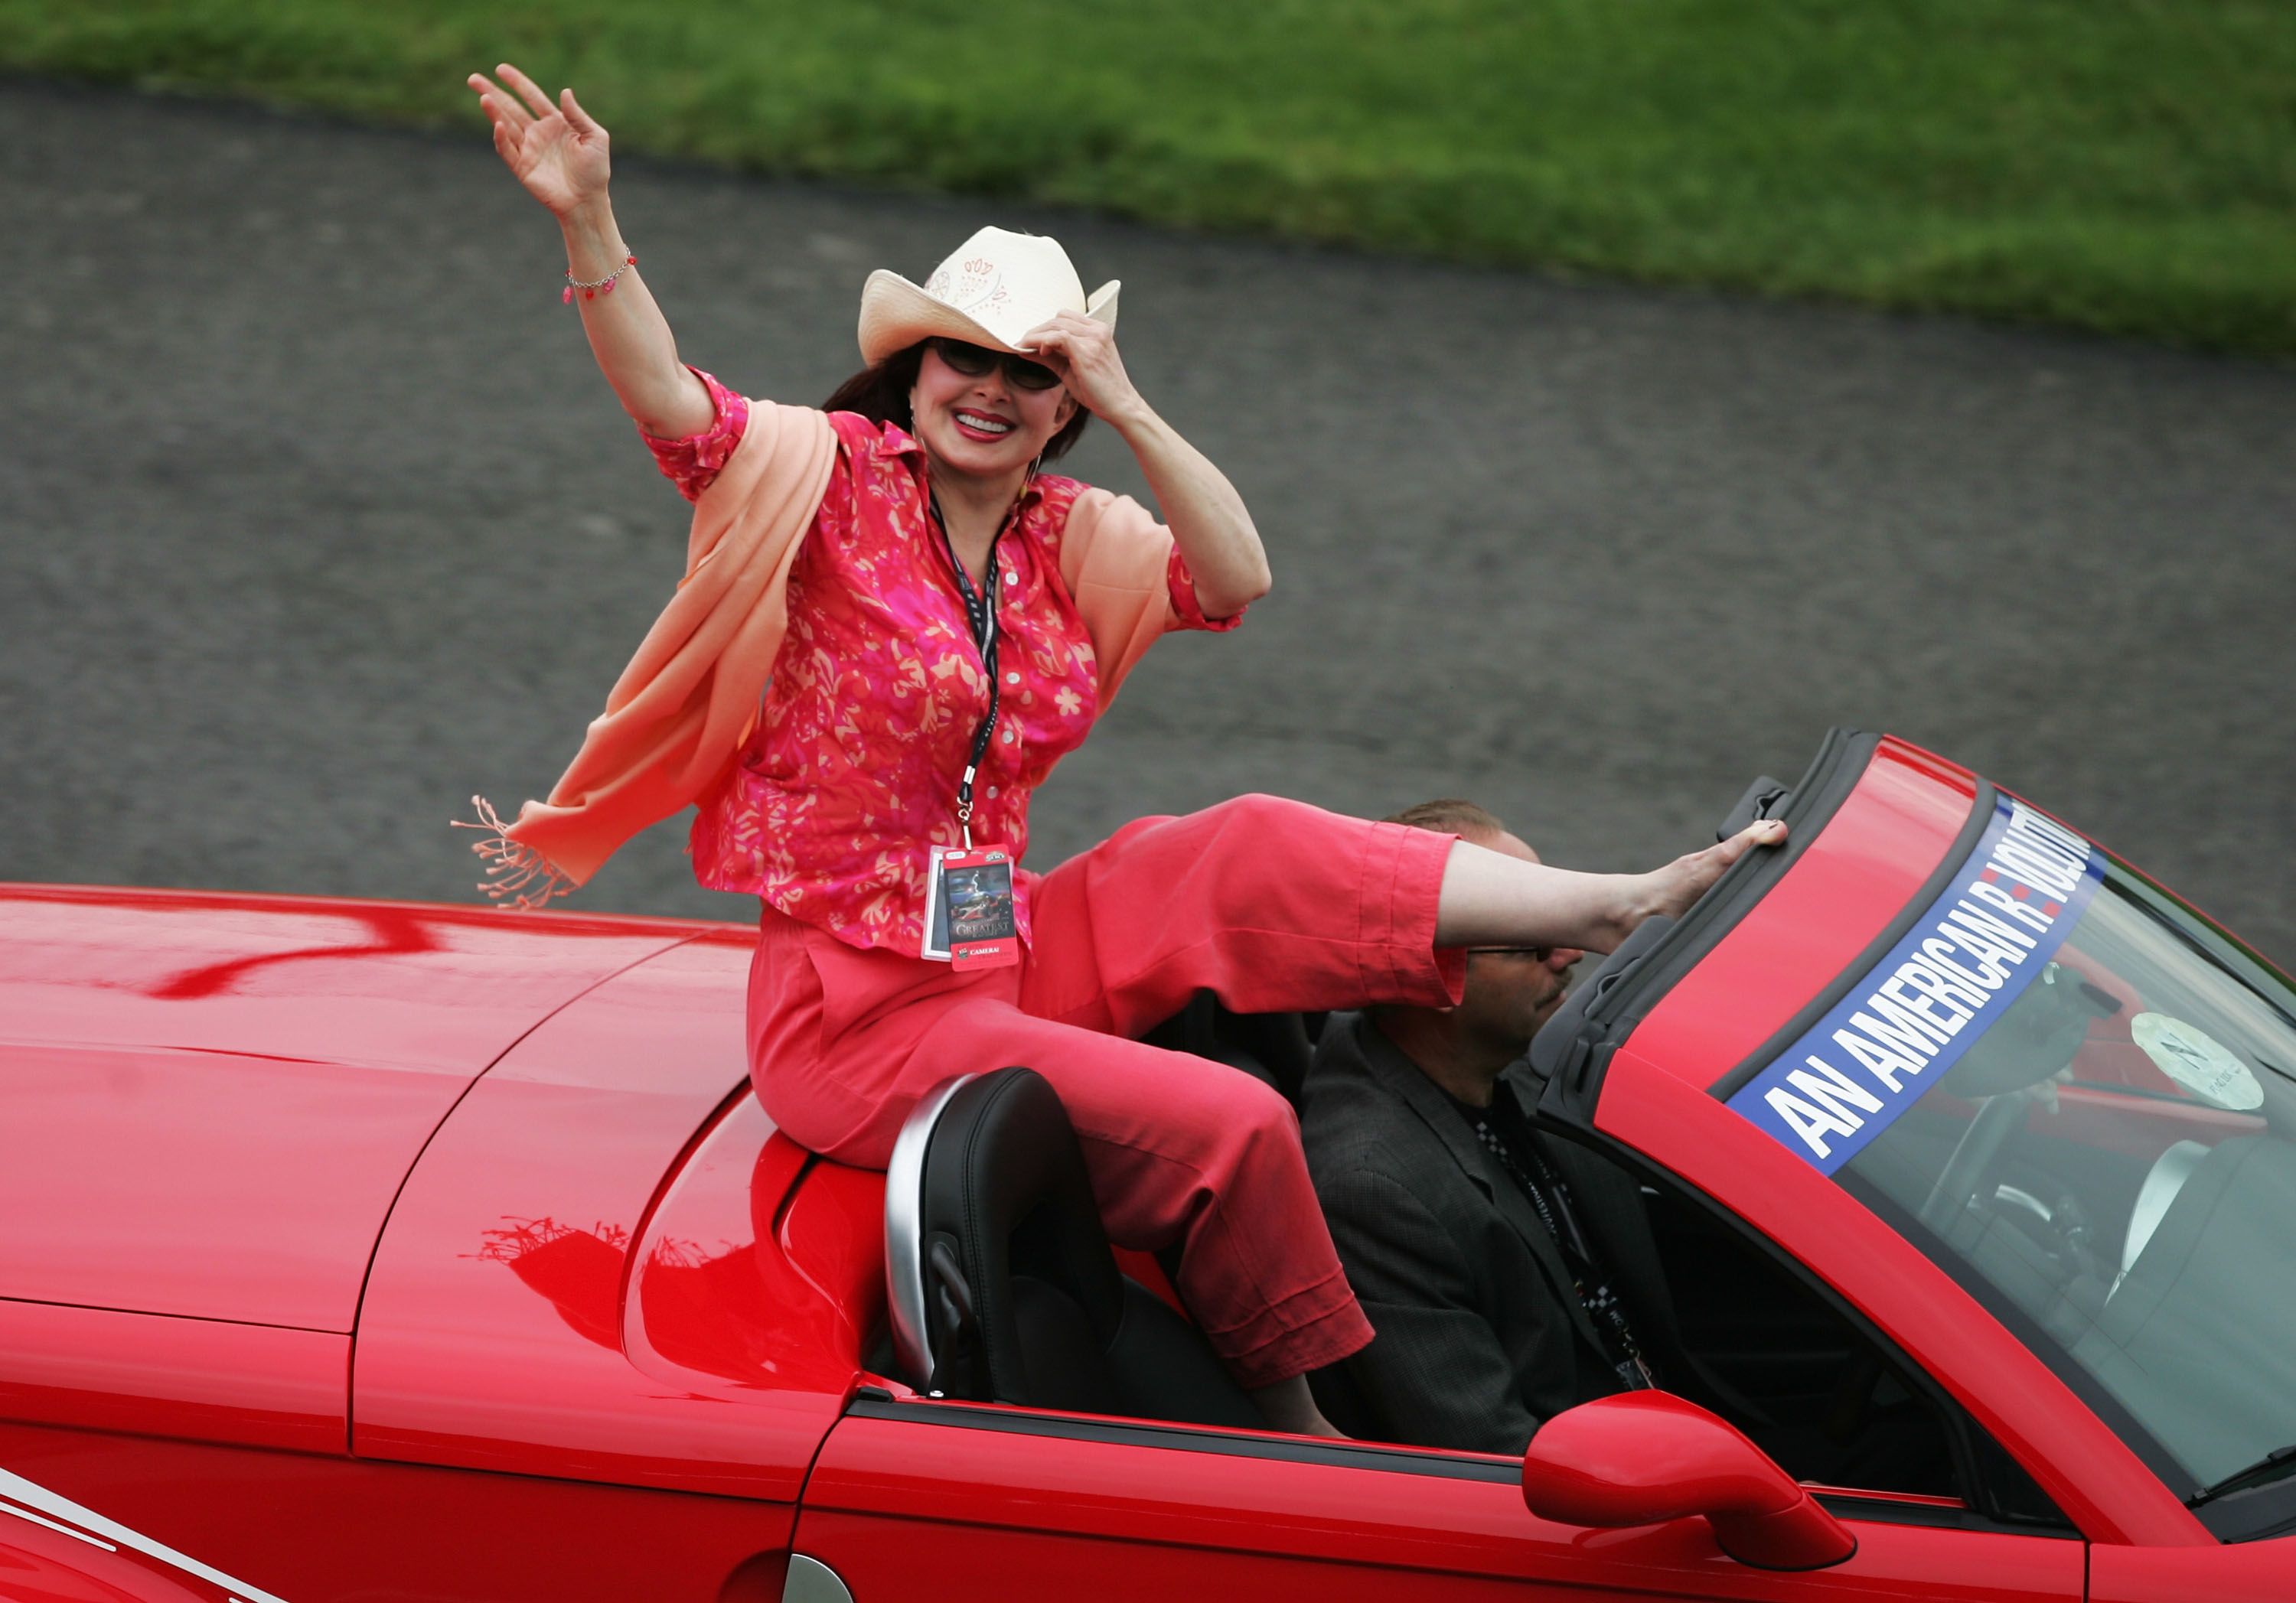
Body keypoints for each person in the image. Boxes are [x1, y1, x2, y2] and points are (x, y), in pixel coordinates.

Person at [460, 66, 1785, 1437]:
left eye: (1029, 376)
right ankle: (1305, 1441)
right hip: (857, 1015)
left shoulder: (1063, 535)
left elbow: (1236, 575)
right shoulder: (826, 479)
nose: (988, 391)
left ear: (1062, 407)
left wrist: (1129, 402)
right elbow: (669, 400)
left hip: (1001, 941)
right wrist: (589, 219)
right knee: (1240, 1124)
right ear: (913, 365)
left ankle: (1612, 900)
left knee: (1238, 842)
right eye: (963, 357)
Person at [1303, 800, 1693, 1454]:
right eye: (1532, 941)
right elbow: (1490, 1455)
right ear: (1431, 976)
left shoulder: (1523, 1061)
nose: (1570, 953)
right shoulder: (1372, 1187)